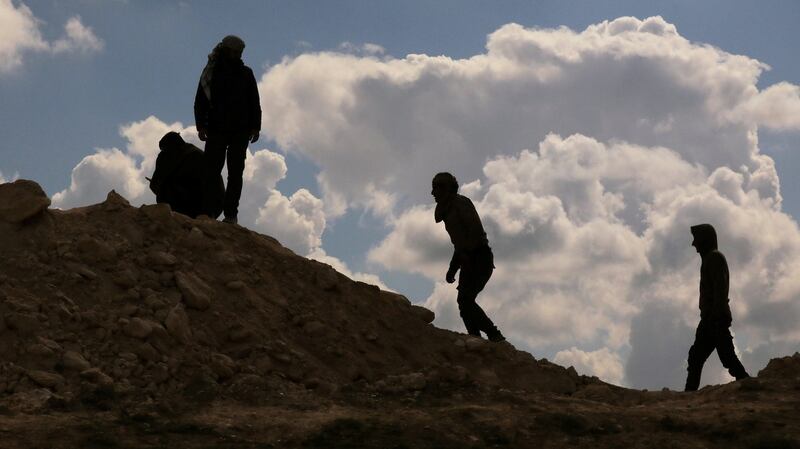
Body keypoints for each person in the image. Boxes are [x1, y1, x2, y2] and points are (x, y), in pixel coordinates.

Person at [194, 35, 261, 224]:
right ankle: (207, 213)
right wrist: (200, 125)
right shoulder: (212, 73)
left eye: (239, 52)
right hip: (216, 129)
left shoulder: (246, 74)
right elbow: (201, 100)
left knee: (235, 173)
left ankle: (231, 214)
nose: (237, 55)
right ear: (226, 50)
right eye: (234, 51)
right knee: (211, 172)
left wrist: (256, 127)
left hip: (240, 130)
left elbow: (254, 101)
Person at [432, 172, 505, 342]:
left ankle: (494, 335)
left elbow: (473, 235)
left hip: (479, 257)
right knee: (463, 302)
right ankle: (475, 338)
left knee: (465, 300)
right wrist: (453, 268)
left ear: (447, 189)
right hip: (468, 258)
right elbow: (459, 244)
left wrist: (467, 259)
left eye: (436, 187)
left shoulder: (460, 204)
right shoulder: (448, 210)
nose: (433, 193)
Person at [685, 223, 750, 391]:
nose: (694, 244)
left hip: (715, 318)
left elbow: (720, 290)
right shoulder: (709, 259)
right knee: (696, 357)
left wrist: (715, 317)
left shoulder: (714, 258)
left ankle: (748, 384)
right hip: (710, 318)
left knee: (726, 357)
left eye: (696, 240)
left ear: (704, 240)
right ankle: (689, 393)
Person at [149, 132, 223, 219]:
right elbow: (156, 182)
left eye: (166, 150)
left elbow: (212, 189)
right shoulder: (164, 157)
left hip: (201, 206)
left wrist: (207, 213)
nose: (164, 153)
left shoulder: (196, 156)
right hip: (178, 206)